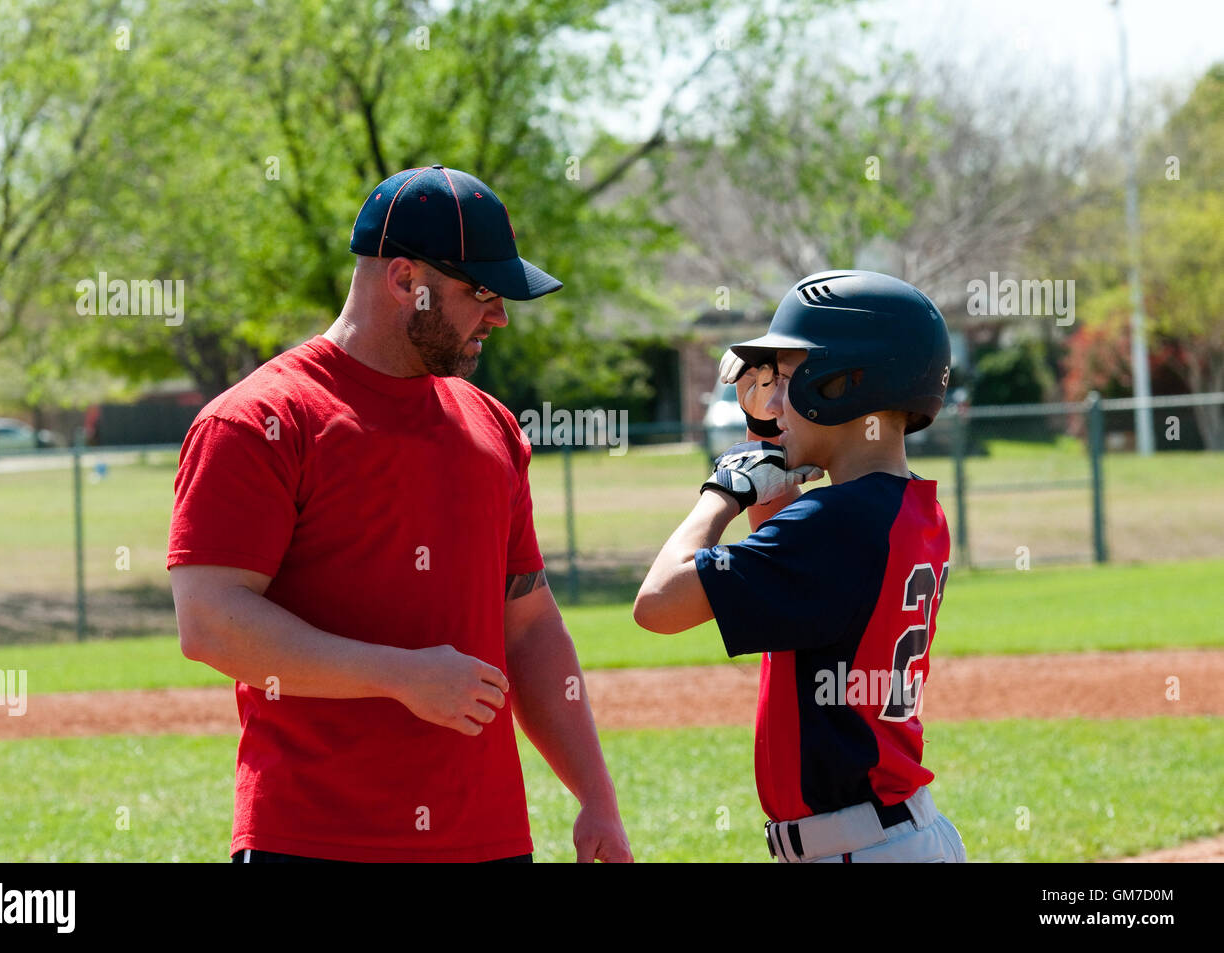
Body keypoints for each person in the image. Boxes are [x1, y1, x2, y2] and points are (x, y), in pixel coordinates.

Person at [168, 165, 632, 863]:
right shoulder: (258, 420)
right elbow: (209, 622)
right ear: (404, 279)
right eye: (481, 291)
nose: (500, 314)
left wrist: (595, 794)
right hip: (313, 841)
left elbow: (529, 625)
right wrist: (400, 674)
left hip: (488, 841)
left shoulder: (493, 425)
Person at [634, 270, 967, 863]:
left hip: (858, 847)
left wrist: (722, 493)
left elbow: (657, 604)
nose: (774, 402)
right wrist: (773, 463)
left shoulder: (835, 522)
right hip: (889, 836)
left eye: (789, 379)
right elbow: (789, 585)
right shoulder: (909, 505)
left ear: (843, 383)